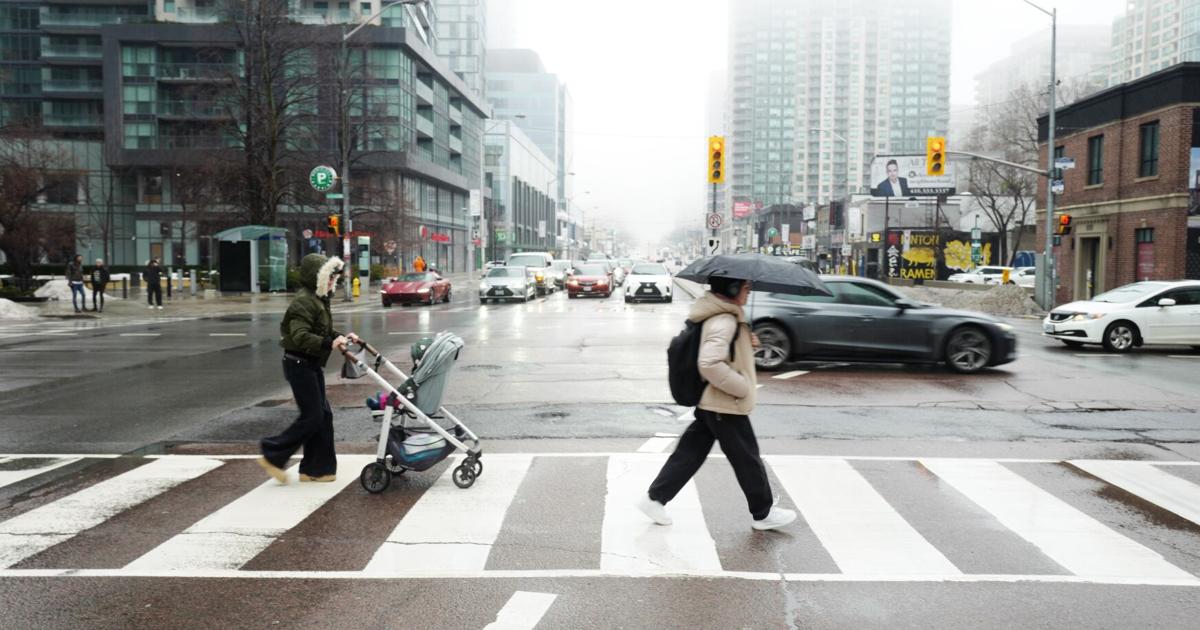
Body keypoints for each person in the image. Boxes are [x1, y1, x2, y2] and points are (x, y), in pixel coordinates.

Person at [637, 276, 797, 531]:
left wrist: (747, 342)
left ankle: (655, 498)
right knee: (747, 458)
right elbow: (709, 363)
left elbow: (725, 355)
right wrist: (741, 386)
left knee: (690, 453)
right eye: (746, 287)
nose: (749, 292)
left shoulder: (723, 316)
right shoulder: (724, 320)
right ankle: (763, 512)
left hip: (713, 401)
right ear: (732, 289)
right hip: (724, 402)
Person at [258, 253, 360, 485]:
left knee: (323, 416)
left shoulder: (318, 299)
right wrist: (328, 343)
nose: (334, 283)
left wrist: (341, 337)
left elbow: (322, 331)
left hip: (310, 363)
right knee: (313, 416)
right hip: (298, 363)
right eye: (331, 278)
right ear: (319, 278)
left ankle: (316, 469)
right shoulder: (304, 301)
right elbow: (300, 335)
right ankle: (272, 454)